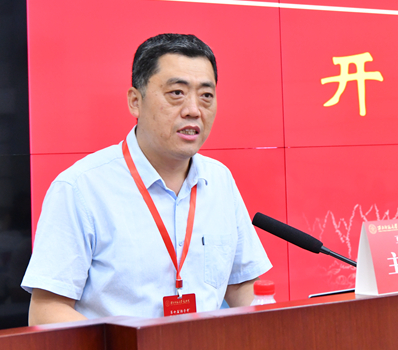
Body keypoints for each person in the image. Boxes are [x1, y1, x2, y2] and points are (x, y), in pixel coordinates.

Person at [22, 33, 271, 324]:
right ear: (135, 102)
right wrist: (127, 344)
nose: (193, 110)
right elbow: (46, 311)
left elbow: (241, 285)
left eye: (206, 95)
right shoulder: (80, 188)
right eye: (176, 93)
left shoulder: (220, 180)